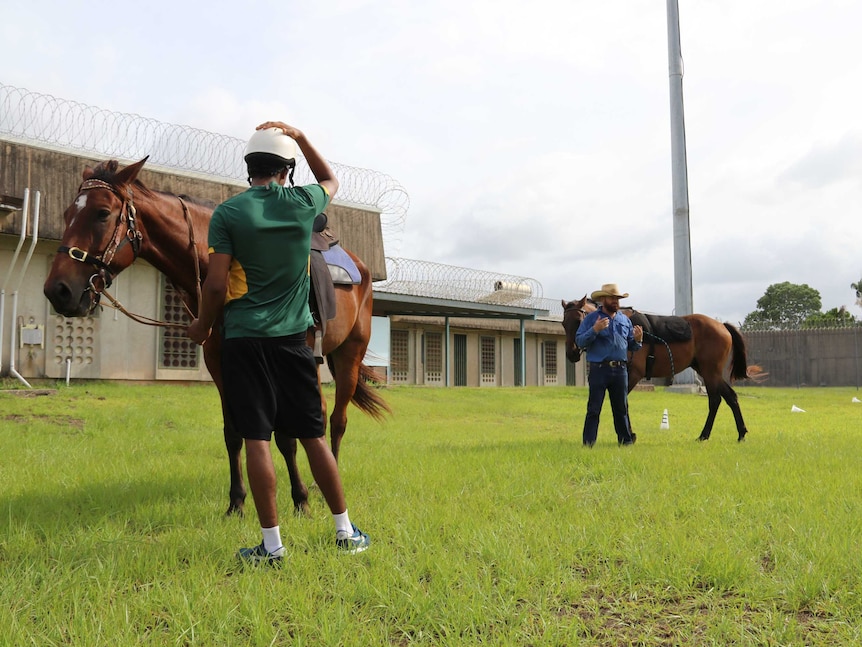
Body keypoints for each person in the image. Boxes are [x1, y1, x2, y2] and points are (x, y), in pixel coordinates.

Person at [187, 120, 369, 564]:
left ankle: (272, 547)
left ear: (249, 169)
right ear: (287, 169)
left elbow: (214, 287)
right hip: (294, 343)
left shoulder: (228, 214)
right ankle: (345, 532)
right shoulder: (303, 202)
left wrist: (203, 327)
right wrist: (303, 138)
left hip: (245, 342)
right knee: (313, 439)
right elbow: (330, 179)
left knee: (257, 440)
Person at [575, 283, 643, 447]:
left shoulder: (624, 320)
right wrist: (595, 330)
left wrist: (638, 341)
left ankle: (625, 442)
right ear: (603, 299)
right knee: (594, 409)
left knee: (621, 409)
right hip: (599, 369)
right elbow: (579, 340)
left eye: (618, 299)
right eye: (612, 298)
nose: (616, 302)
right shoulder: (591, 319)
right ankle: (589, 444)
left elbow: (630, 346)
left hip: (620, 370)